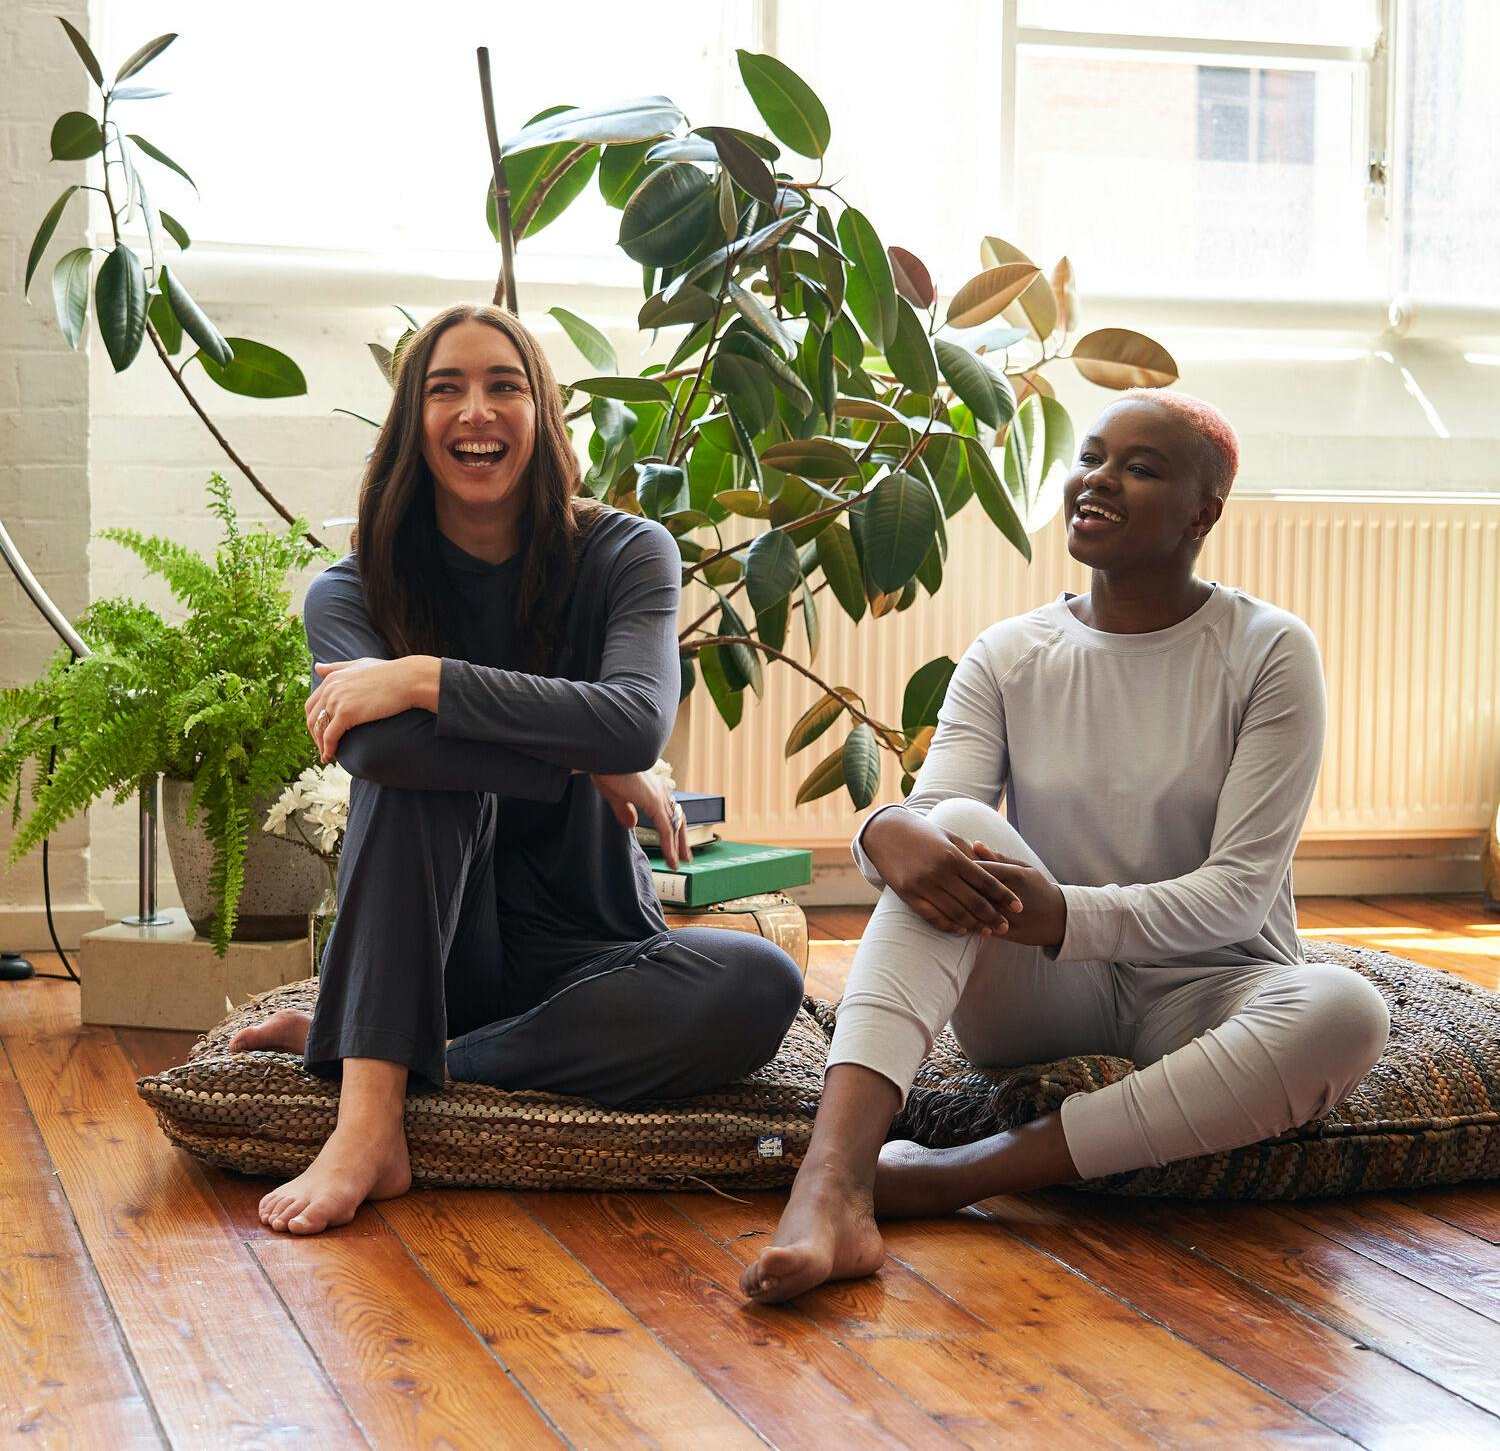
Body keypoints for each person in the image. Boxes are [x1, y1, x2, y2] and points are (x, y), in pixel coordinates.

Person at [739, 388, 1391, 1305]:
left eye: (1142, 467)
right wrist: (880, 828)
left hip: (1210, 983)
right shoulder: (1011, 651)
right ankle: (832, 1183)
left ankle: (956, 1174)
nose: (1099, 479)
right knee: (952, 831)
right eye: (1091, 456)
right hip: (1041, 994)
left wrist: (1064, 912)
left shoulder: (1268, 650)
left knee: (1347, 1008)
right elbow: (939, 825)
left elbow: (1240, 894)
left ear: (1205, 511)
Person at [229, 303, 804, 1236]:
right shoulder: (353, 589)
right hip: (431, 948)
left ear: (544, 414)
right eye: (445, 388)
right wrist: (581, 764)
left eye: (506, 385)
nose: (476, 410)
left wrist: (425, 679)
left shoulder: (626, 554)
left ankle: (417, 1055)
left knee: (759, 983)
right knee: (419, 777)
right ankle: (368, 1126)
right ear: (411, 424)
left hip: (593, 949)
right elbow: (372, 749)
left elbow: (635, 722)